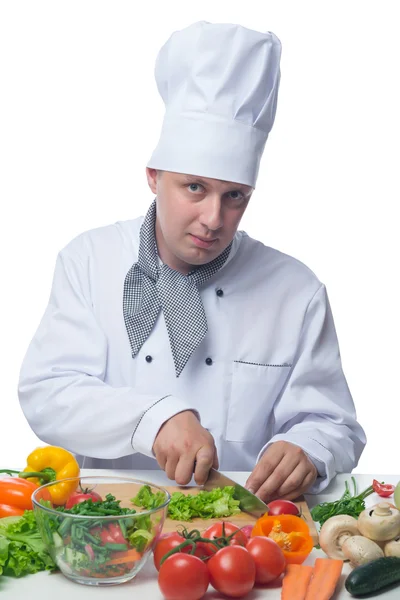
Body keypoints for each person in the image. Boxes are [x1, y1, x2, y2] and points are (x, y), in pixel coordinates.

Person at [18, 21, 366, 502]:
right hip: (111, 526)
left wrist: (307, 446)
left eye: (235, 196)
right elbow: (47, 394)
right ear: (153, 175)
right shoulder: (89, 260)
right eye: (195, 188)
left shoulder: (296, 290)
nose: (212, 219)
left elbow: (334, 423)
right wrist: (155, 418)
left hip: (240, 534)